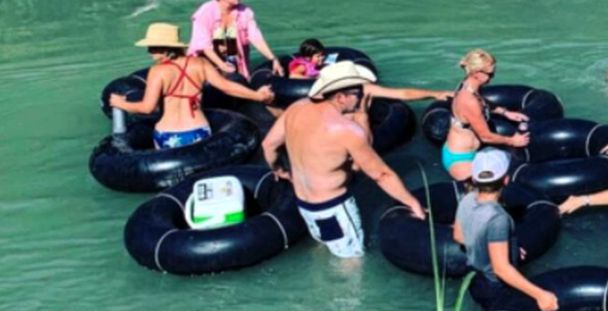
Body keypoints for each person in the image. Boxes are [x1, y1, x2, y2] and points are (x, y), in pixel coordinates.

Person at [261, 60, 423, 262]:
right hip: (333, 208)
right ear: (341, 97)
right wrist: (412, 203)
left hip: (303, 203)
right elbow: (381, 174)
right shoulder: (346, 130)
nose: (362, 96)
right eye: (357, 93)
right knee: (352, 262)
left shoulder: (295, 108)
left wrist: (279, 170)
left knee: (327, 245)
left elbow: (268, 145)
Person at [108, 22, 276, 149]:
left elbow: (147, 108)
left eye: (152, 48)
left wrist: (120, 103)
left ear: (165, 49)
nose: (149, 52)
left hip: (168, 134)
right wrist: (258, 96)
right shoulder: (200, 63)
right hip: (199, 130)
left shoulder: (157, 72)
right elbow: (227, 86)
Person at [454, 149, 559, 311]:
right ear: (506, 180)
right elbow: (501, 269)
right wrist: (540, 295)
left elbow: (459, 236)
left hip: (474, 278)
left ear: (474, 178)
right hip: (495, 286)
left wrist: (510, 248)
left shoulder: (467, 199)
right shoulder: (498, 218)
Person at [443, 49, 530, 182]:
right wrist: (513, 140)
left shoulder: (467, 85)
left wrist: (506, 112)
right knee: (505, 183)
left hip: (459, 148)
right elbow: (486, 136)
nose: (492, 77)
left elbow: (482, 102)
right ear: (477, 73)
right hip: (461, 160)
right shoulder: (468, 100)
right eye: (490, 74)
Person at [188, 0, 283, 81]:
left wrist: (273, 58)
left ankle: (237, 75)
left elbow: (256, 38)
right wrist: (222, 65)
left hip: (231, 55)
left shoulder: (244, 12)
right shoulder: (205, 13)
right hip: (207, 59)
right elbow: (204, 46)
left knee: (230, 35)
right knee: (222, 35)